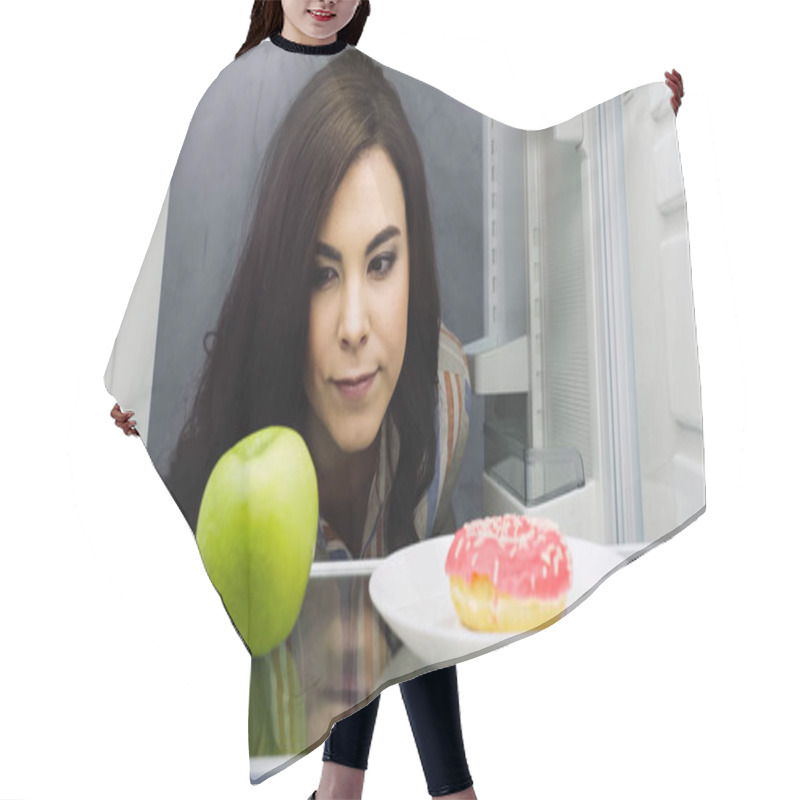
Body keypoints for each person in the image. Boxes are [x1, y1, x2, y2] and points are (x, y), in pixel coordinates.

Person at [108, 4, 686, 799]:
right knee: (356, 594)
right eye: (319, 271)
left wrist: (636, 124)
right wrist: (135, 375)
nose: (355, 329)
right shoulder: (236, 92)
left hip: (385, 509)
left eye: (382, 262)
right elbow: (175, 228)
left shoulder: (440, 395)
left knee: (400, 587)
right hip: (271, 435)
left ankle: (356, 788)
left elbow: (403, 610)